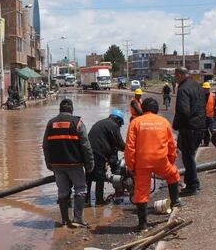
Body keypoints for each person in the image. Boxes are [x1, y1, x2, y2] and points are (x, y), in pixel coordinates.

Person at [127, 98, 184, 231]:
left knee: (141, 192)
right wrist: (171, 161)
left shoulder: (135, 122)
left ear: (143, 109)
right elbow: (172, 145)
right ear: (156, 109)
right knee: (173, 175)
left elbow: (130, 147)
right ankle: (175, 201)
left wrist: (131, 166)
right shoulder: (163, 122)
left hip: (142, 162)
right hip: (161, 160)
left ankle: (142, 225)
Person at [43, 99, 94, 228]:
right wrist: (90, 164)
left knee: (62, 192)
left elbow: (45, 146)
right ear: (71, 109)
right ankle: (77, 218)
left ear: (59, 110)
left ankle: (64, 220)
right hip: (75, 164)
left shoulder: (50, 124)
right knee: (80, 189)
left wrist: (49, 163)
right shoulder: (77, 123)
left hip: (57, 165)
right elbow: (86, 146)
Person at [172, 67, 206, 196]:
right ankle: (192, 182)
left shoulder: (183, 89)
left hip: (189, 127)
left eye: (175, 76)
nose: (174, 78)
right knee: (190, 155)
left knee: (188, 157)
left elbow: (183, 111)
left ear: (180, 75)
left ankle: (193, 185)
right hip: (199, 125)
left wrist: (176, 125)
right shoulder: (197, 86)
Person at [86, 109, 126, 206]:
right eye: (120, 124)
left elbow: (112, 145)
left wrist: (110, 160)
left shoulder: (102, 123)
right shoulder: (113, 125)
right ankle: (99, 201)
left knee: (89, 176)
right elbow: (120, 144)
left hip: (87, 151)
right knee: (100, 176)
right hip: (98, 152)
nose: (120, 126)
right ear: (117, 120)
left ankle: (85, 200)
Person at [202, 82, 216, 147]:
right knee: (205, 130)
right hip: (203, 116)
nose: (206, 90)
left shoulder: (213, 95)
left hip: (211, 115)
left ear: (209, 89)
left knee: (213, 129)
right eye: (205, 88)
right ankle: (206, 142)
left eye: (207, 88)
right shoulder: (200, 96)